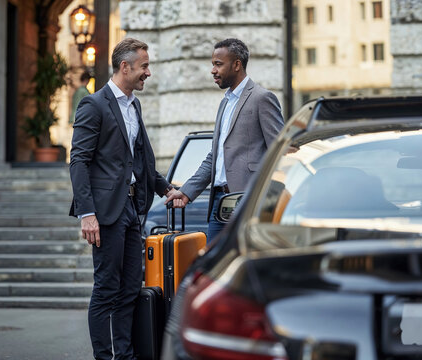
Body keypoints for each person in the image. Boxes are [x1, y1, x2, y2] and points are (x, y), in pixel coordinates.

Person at [69, 38, 174, 360]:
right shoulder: (94, 104)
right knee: (106, 290)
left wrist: (167, 189)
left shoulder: (133, 105)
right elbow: (79, 160)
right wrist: (87, 213)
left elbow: (139, 161)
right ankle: (105, 357)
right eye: (144, 66)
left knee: (129, 289)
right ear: (125, 66)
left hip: (131, 209)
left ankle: (124, 356)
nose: (148, 73)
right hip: (105, 213)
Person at [165, 38, 284, 243]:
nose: (212, 70)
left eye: (218, 64)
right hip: (220, 203)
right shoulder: (225, 103)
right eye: (213, 64)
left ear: (237, 64)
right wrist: (186, 192)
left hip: (248, 203)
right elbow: (215, 156)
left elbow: (281, 151)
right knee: (213, 265)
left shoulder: (262, 98)